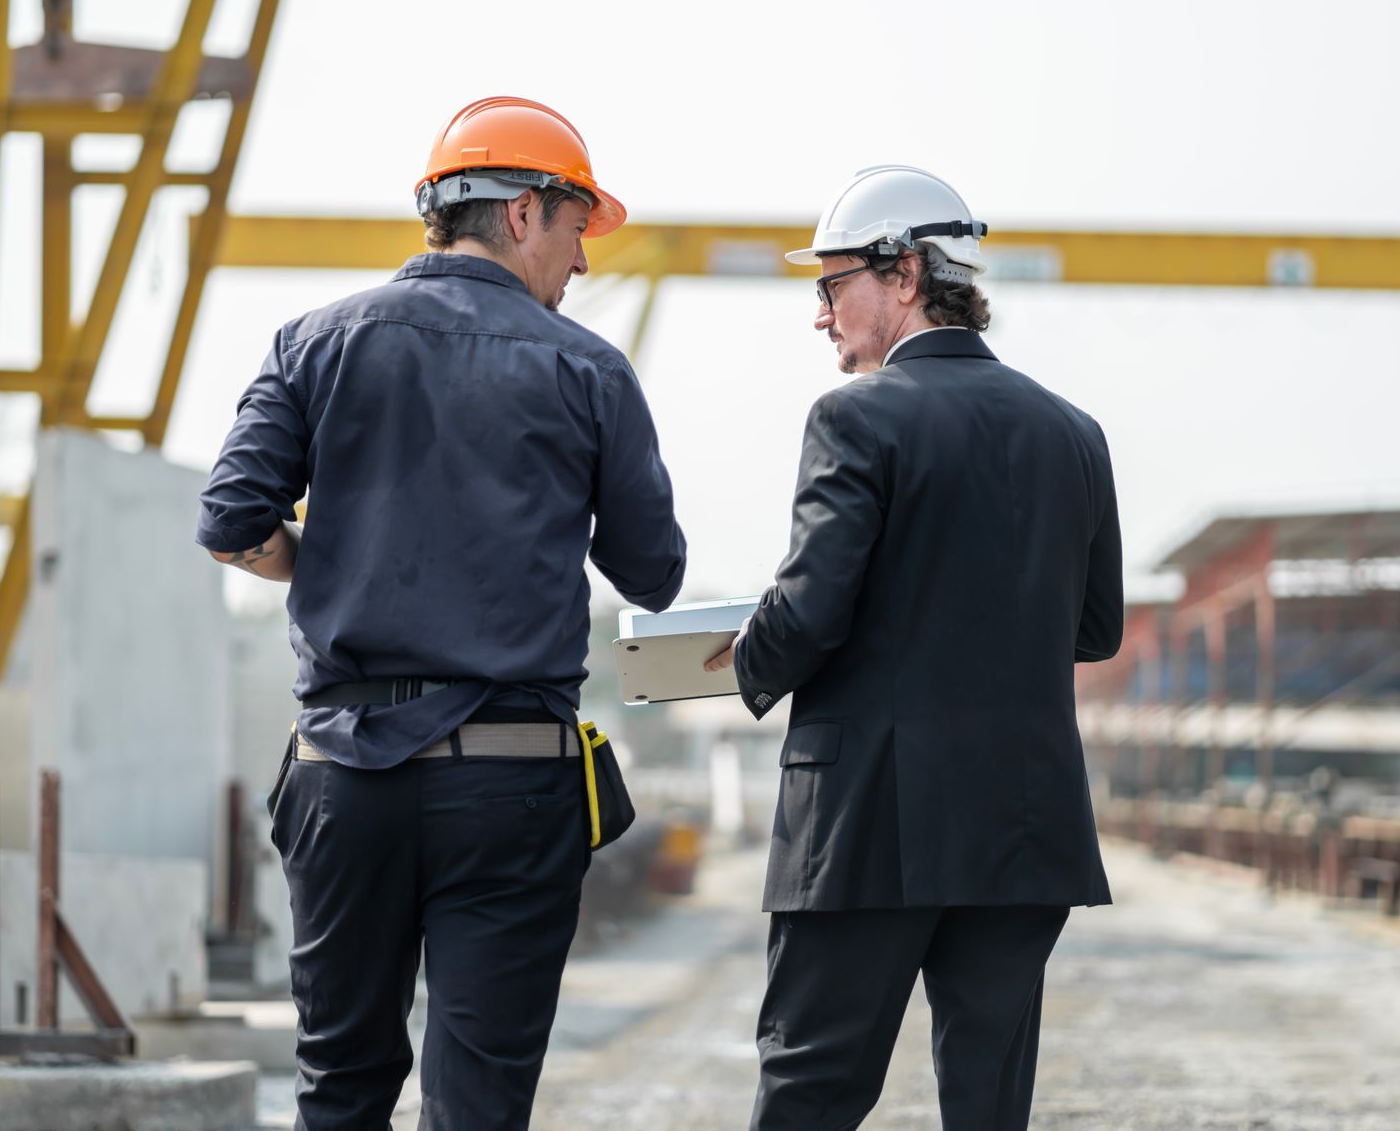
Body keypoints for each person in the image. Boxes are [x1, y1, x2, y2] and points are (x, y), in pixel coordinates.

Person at [196, 96, 686, 1130]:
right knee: (478, 1102)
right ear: (519, 214)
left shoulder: (314, 341)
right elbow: (653, 570)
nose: (585, 262)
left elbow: (231, 519)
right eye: (577, 226)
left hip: (343, 780)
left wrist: (319, 561)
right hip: (509, 786)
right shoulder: (588, 369)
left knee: (338, 1083)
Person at [704, 165, 1122, 1130]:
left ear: (903, 275)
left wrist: (742, 653)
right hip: (1023, 825)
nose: (820, 313)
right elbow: (1094, 629)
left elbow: (807, 615)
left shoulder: (856, 418)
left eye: (831, 283)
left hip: (867, 826)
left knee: (810, 1087)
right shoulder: (1075, 434)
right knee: (988, 1102)